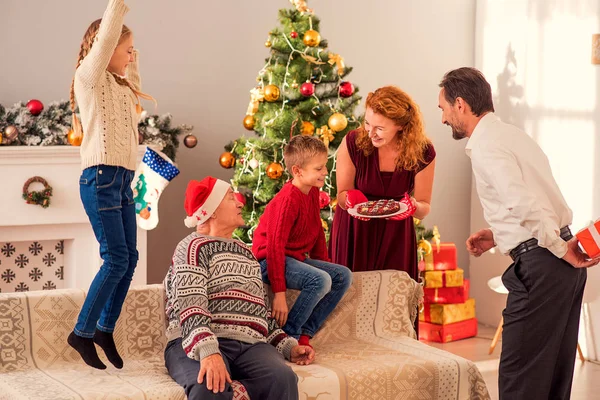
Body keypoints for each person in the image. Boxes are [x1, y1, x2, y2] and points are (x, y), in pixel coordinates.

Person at [437, 67, 600, 400]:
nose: (442, 119)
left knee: (519, 378)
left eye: (442, 109)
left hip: (543, 266)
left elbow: (523, 202)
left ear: (460, 104)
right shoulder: (513, 135)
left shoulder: (485, 147)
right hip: (560, 268)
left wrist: (559, 249)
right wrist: (498, 235)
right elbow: (535, 201)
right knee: (554, 377)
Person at [165, 177, 314, 400]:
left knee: (282, 378)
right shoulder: (192, 247)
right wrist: (208, 351)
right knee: (209, 386)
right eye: (230, 197)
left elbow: (258, 314)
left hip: (250, 345)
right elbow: (191, 304)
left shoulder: (245, 252)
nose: (240, 203)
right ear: (212, 211)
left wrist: (288, 347)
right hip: (192, 340)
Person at [67, 0, 154, 370]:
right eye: (126, 48)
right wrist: (118, 9)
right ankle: (82, 332)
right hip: (100, 178)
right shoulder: (89, 78)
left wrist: (132, 57)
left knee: (129, 258)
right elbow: (105, 43)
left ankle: (105, 327)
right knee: (115, 258)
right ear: (106, 47)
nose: (132, 54)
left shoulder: (121, 87)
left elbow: (130, 69)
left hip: (122, 180)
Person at [252, 136, 353, 348]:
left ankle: (307, 331)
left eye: (324, 167)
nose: (325, 172)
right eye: (319, 168)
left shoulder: (312, 191)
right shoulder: (288, 200)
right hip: (269, 261)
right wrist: (279, 294)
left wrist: (324, 263)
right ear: (298, 171)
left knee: (342, 275)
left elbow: (316, 231)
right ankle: (288, 335)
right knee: (320, 281)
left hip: (292, 259)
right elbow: (275, 246)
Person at [329, 86, 436, 280]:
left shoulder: (423, 152)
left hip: (396, 236)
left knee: (393, 301)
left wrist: (412, 207)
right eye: (368, 123)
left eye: (380, 128)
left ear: (401, 126)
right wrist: (350, 198)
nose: (370, 133)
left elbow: (424, 206)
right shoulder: (353, 142)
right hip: (354, 232)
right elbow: (343, 195)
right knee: (351, 300)